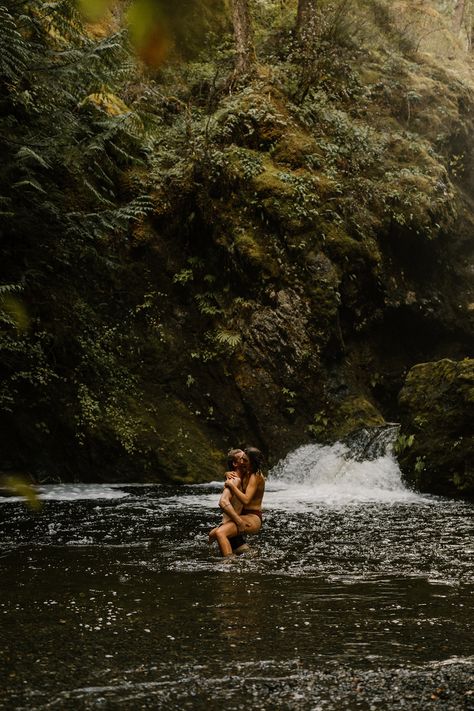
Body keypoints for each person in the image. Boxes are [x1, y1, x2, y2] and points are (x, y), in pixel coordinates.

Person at [213, 446, 265, 558]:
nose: (242, 461)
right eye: (241, 459)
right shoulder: (247, 471)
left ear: (252, 462)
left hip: (253, 516)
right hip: (244, 515)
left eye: (245, 460)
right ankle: (248, 552)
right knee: (212, 535)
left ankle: (229, 564)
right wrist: (227, 473)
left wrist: (232, 486)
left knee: (220, 533)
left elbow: (246, 500)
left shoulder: (256, 476)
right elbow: (236, 468)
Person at [208, 449, 250, 554]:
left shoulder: (243, 477)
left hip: (231, 528)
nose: (246, 459)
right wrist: (239, 522)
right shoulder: (234, 480)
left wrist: (226, 473)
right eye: (242, 458)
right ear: (235, 464)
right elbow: (222, 502)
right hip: (230, 529)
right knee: (232, 564)